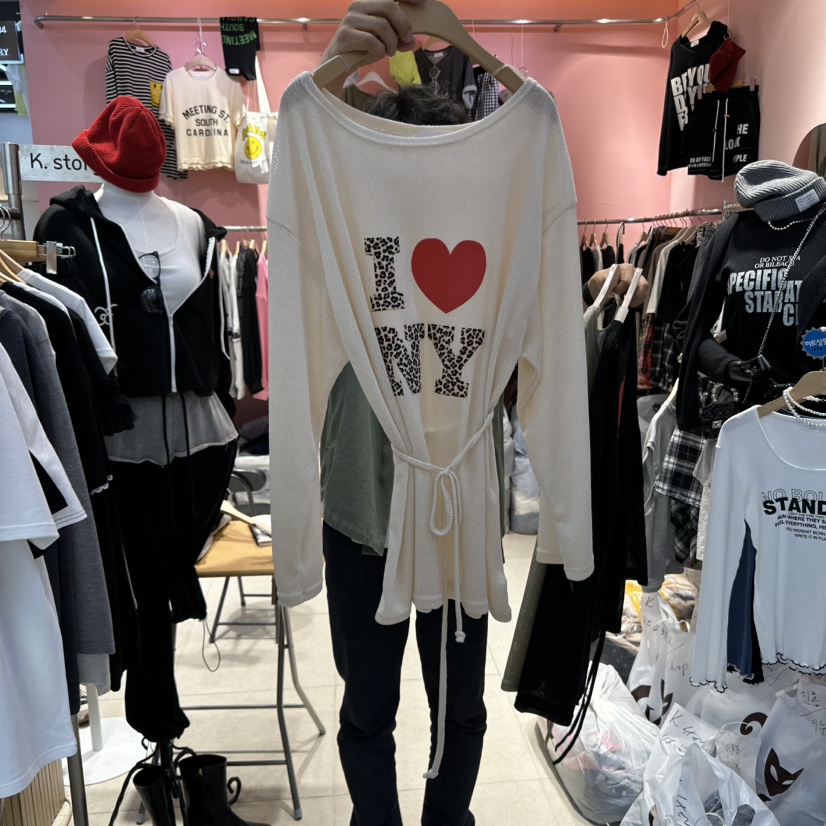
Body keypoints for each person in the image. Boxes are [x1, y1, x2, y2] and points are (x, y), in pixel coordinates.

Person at [317, 4, 494, 825]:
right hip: (363, 510)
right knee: (368, 707)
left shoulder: (489, 246)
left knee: (460, 707)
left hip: (456, 516)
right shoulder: (342, 236)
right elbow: (305, 159)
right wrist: (332, 70)